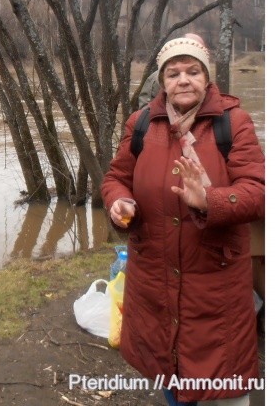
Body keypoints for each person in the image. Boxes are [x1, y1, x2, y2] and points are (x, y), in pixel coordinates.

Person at [102, 36, 264, 406]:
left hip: (216, 286)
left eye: (193, 71)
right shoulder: (141, 124)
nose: (183, 80)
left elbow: (257, 191)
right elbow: (116, 179)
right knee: (169, 369)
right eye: (173, 73)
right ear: (162, 82)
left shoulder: (233, 123)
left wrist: (209, 200)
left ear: (207, 78)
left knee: (225, 381)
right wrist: (119, 203)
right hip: (154, 280)